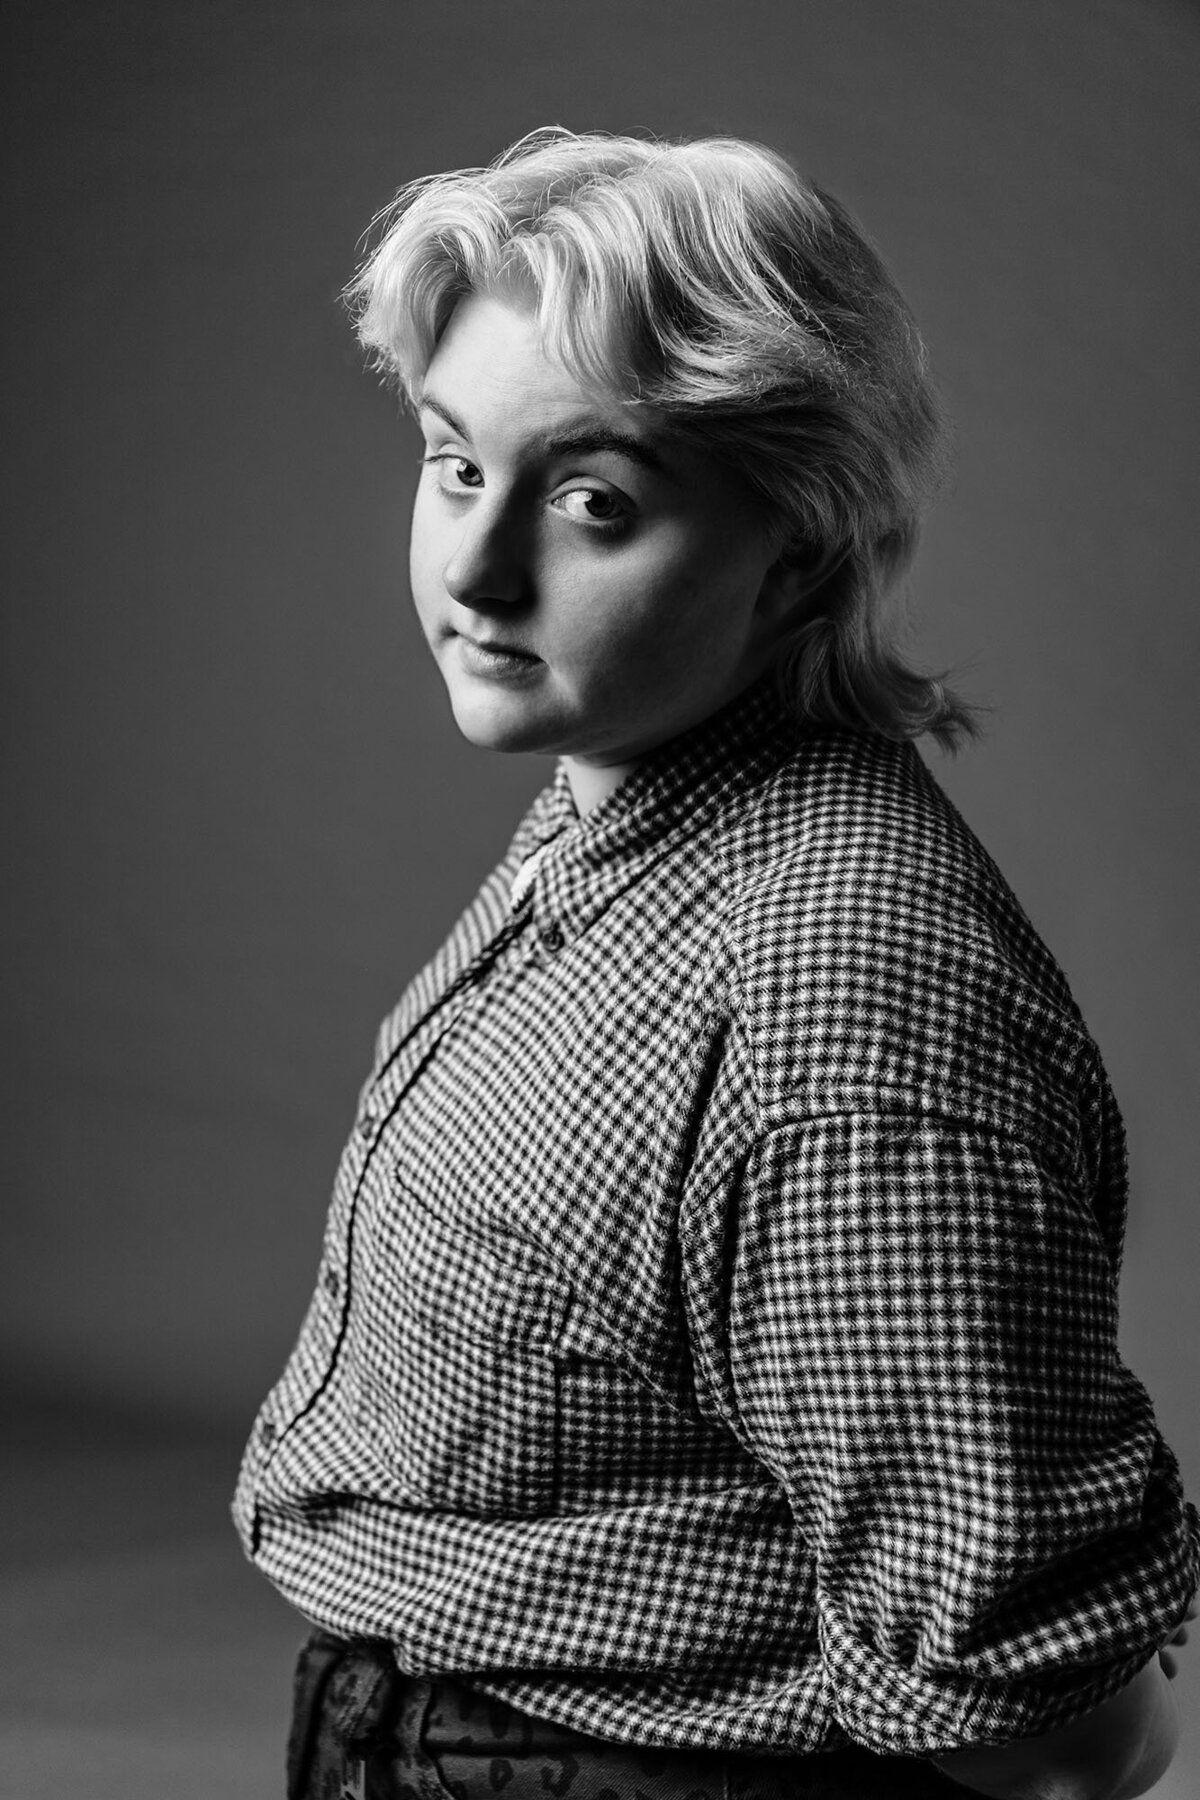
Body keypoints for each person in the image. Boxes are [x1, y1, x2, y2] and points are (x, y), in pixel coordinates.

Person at [233, 128, 1197, 1800]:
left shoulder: (835, 1002)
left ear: (801, 553)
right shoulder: (631, 802)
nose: (476, 570)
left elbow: (1063, 1744)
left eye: (592, 500)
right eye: (456, 463)